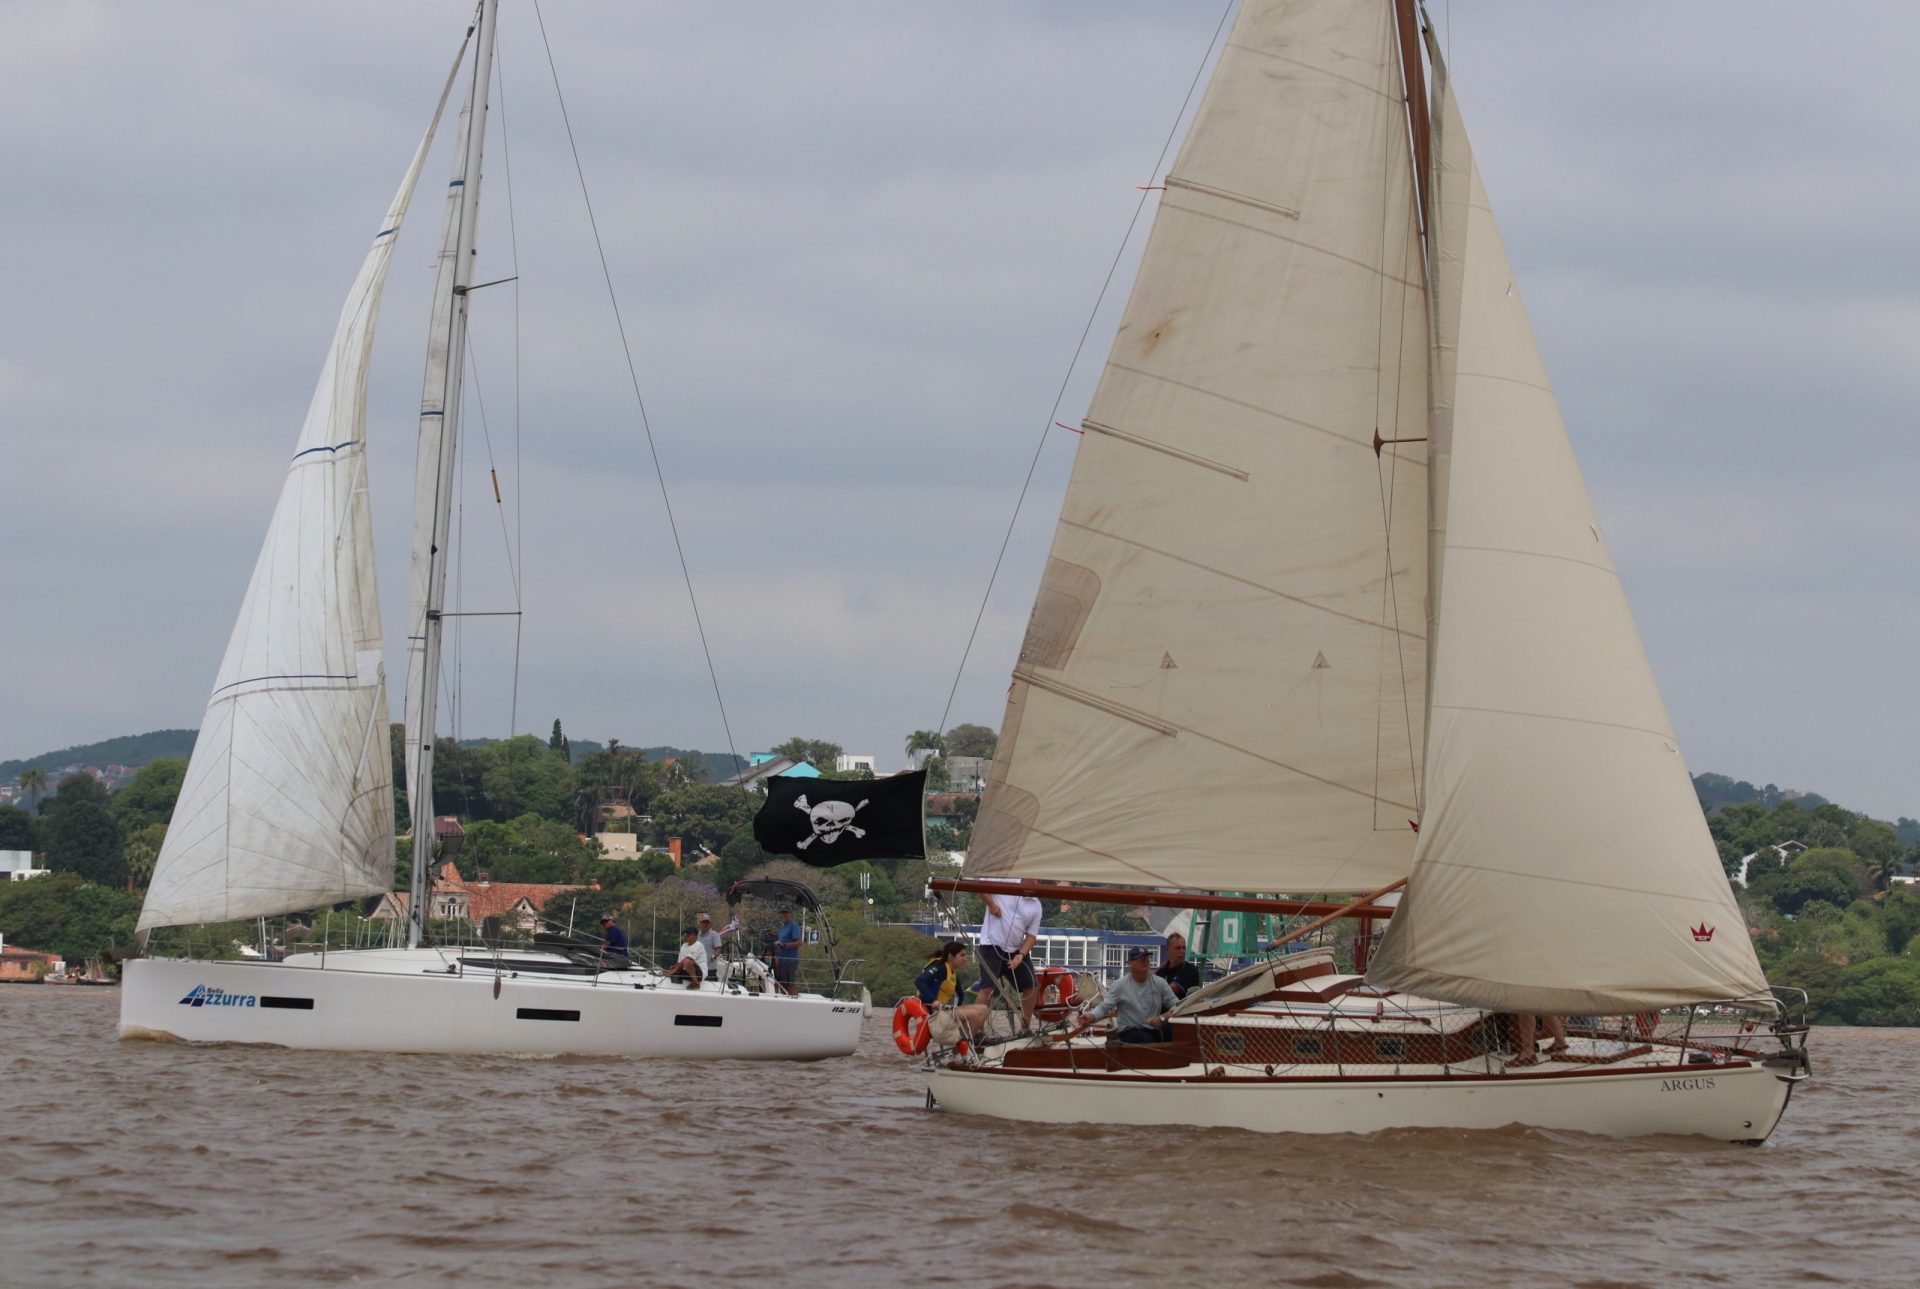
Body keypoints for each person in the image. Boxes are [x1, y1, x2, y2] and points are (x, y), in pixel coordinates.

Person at [1067, 947, 1179, 1045]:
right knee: (1145, 1039)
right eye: (1141, 959)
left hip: (1154, 1030)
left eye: (1147, 958)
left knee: (1175, 1033)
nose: (1145, 961)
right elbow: (1105, 1007)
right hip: (1129, 1031)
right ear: (1130, 963)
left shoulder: (1160, 983)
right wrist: (1091, 1016)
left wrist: (1162, 1018)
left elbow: (1177, 1006)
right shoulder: (1119, 985)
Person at [976, 882, 1043, 1031]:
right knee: (987, 988)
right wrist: (991, 905)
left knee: (1032, 985)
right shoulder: (1006, 885)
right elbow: (981, 885)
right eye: (1029, 880)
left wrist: (1021, 955)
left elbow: (1031, 936)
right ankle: (977, 1031)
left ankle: (1025, 1028)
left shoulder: (1036, 905)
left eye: (1036, 881)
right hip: (992, 945)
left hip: (1016, 950)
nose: (1032, 884)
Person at [915, 941, 990, 1043]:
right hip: (933, 1012)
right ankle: (965, 1043)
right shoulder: (939, 967)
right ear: (951, 956)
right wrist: (933, 1001)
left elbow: (960, 994)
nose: (965, 958)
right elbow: (919, 981)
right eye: (962, 955)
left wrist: (957, 1010)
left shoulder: (952, 971)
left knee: (984, 1009)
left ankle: (965, 1039)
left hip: (944, 1010)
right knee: (976, 1014)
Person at [1154, 932, 1202, 998]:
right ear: (1167, 950)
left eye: (1184, 948)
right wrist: (1158, 970)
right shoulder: (1162, 970)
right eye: (1178, 948)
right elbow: (1148, 986)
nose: (1182, 951)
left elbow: (1170, 990)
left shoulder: (1190, 970)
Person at [773, 906, 803, 997]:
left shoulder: (794, 926)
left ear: (790, 914)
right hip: (781, 960)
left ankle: (795, 1000)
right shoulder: (782, 927)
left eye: (786, 913)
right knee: (783, 984)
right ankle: (786, 1000)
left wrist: (785, 945)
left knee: (790, 984)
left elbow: (799, 942)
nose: (784, 915)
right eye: (782, 913)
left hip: (790, 959)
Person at [696, 912, 725, 981]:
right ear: (700, 923)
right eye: (704, 922)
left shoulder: (714, 934)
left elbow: (718, 948)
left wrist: (715, 955)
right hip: (698, 967)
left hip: (710, 967)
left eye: (707, 922)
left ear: (710, 924)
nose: (705, 924)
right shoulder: (697, 935)